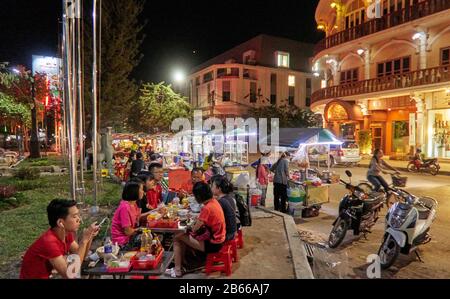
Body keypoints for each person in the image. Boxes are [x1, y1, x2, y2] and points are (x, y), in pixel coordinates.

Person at [20, 199, 100, 279]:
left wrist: (90, 237)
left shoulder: (66, 234)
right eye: (74, 216)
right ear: (60, 223)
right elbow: (70, 275)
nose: (79, 219)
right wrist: (84, 240)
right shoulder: (49, 242)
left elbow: (80, 257)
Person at [167, 182, 225, 278]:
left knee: (177, 237)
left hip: (213, 244)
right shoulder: (214, 202)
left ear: (199, 196)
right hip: (219, 238)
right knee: (182, 237)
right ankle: (182, 264)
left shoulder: (207, 208)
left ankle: (177, 270)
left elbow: (194, 229)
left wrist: (191, 221)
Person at [111, 181, 151, 249]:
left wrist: (156, 211)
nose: (143, 192)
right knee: (148, 240)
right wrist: (140, 229)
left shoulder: (133, 204)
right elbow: (128, 232)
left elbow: (138, 217)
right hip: (122, 242)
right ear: (134, 191)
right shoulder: (125, 208)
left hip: (129, 238)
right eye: (141, 189)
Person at [210, 175, 238, 241]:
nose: (210, 188)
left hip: (227, 234)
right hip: (232, 231)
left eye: (212, 186)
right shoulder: (228, 197)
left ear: (219, 189)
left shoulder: (221, 202)